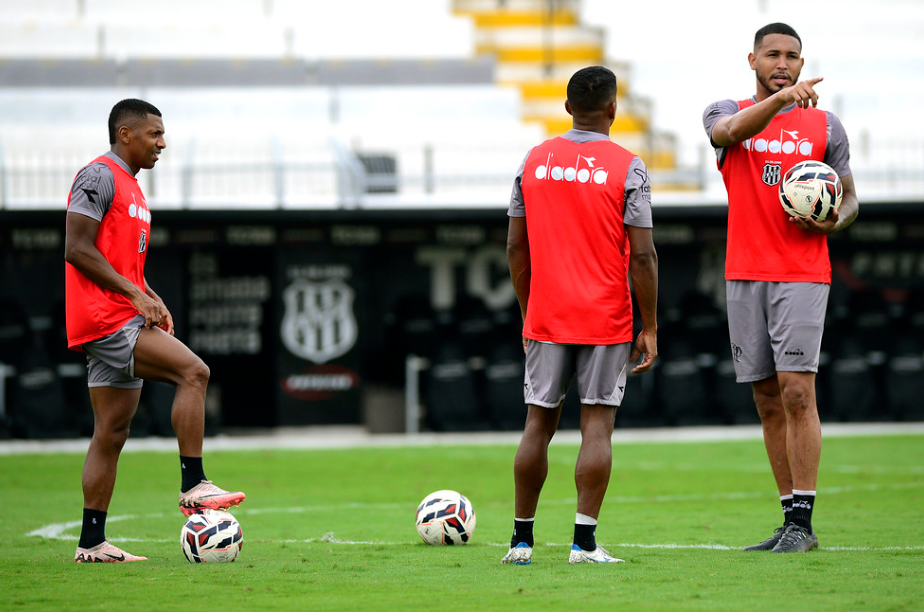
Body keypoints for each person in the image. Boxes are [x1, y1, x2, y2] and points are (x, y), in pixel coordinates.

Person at [65, 99, 245, 563]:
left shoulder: (134, 191)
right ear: (125, 134)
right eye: (154, 134)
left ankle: (92, 543)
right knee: (194, 372)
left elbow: (120, 262)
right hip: (106, 319)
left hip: (116, 313)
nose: (162, 143)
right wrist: (134, 296)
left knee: (111, 431)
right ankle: (194, 484)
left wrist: (150, 294)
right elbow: (76, 248)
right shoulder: (98, 176)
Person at [703, 23, 859, 553]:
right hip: (744, 273)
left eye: (792, 56)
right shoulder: (725, 109)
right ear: (752, 59)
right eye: (773, 55)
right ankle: (788, 519)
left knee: (797, 391)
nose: (783, 63)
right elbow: (727, 135)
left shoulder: (825, 125)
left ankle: (805, 524)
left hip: (802, 272)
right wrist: (781, 102)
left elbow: (850, 199)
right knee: (767, 399)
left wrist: (833, 220)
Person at [502, 66, 659, 565]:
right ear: (613, 109)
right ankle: (583, 544)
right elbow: (643, 256)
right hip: (605, 318)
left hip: (547, 316)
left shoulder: (534, 160)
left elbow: (514, 245)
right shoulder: (628, 167)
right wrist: (649, 325)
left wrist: (530, 312)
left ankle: (521, 543)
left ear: (567, 107)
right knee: (597, 429)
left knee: (537, 426)